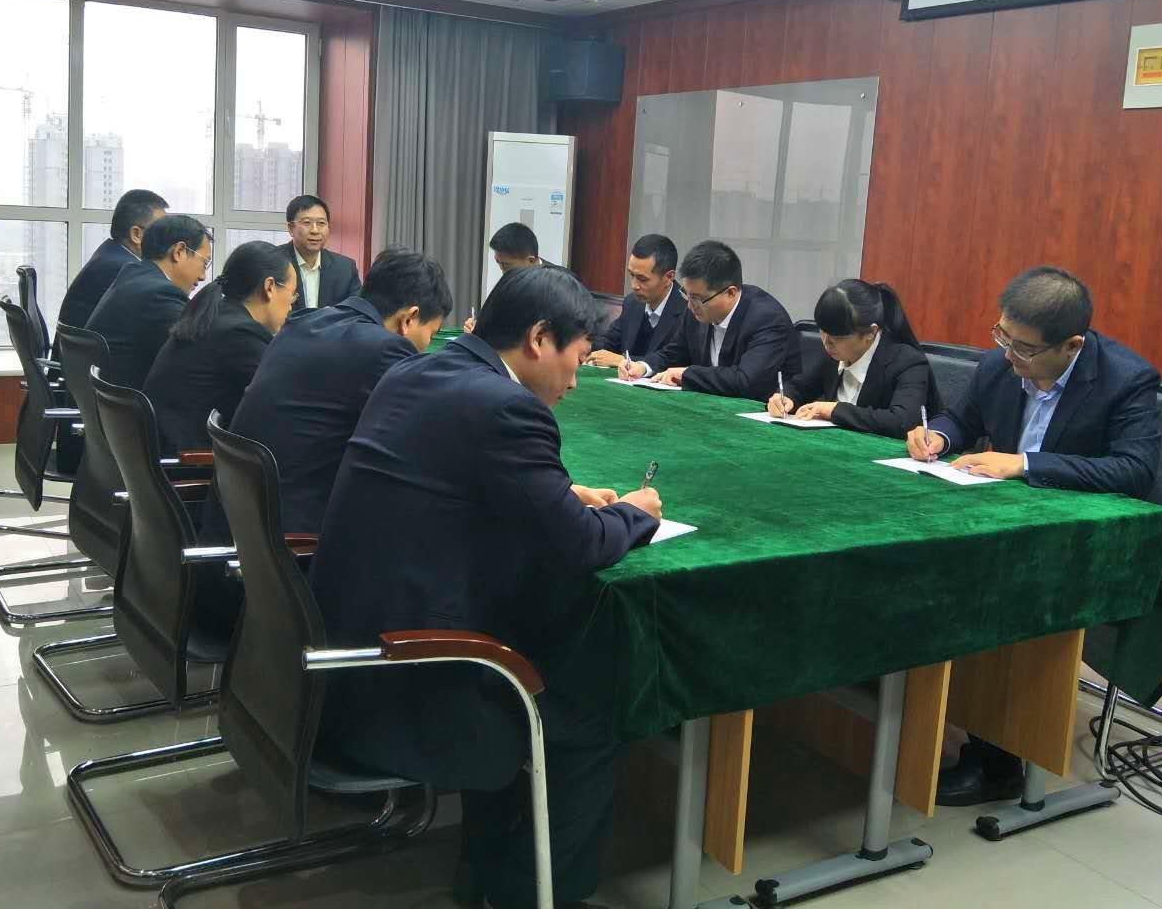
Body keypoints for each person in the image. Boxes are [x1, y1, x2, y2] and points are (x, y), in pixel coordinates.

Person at [311, 265, 662, 909]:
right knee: (593, 711)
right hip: (414, 672)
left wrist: (560, 494)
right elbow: (583, 547)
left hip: (346, 645)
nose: (575, 381)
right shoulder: (507, 407)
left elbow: (467, 483)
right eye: (577, 358)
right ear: (538, 338)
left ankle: (482, 868)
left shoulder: (416, 371)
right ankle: (534, 893)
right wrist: (637, 513)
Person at [905, 265, 1161, 806]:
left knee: (986, 590)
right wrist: (938, 436)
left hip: (1073, 541)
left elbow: (1135, 470)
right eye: (1002, 336)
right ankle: (906, 706)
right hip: (999, 519)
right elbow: (960, 418)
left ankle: (996, 760)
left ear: (1072, 345)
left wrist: (1025, 463)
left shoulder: (1126, 378)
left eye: (1023, 348)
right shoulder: (998, 365)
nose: (1008, 355)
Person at [207, 247, 453, 541]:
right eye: (431, 334)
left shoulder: (303, 322)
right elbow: (423, 438)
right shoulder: (384, 349)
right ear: (410, 318)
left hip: (237, 516)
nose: (426, 346)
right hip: (291, 534)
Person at [142, 241, 297, 455]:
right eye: (293, 294)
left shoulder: (217, 316)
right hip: (189, 461)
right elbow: (279, 404)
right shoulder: (239, 334)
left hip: (164, 451)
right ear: (269, 287)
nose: (291, 305)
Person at [620, 239, 798, 400]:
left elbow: (746, 381)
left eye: (697, 298)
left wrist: (687, 374)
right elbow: (673, 354)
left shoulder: (767, 318)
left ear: (731, 293)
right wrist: (643, 367)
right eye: (686, 294)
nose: (690, 305)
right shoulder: (696, 307)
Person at [767, 279, 940, 437]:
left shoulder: (907, 362)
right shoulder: (835, 353)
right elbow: (800, 386)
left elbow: (902, 421)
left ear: (871, 333)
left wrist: (835, 410)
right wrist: (785, 397)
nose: (826, 342)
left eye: (838, 337)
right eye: (823, 331)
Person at [85, 215, 211, 390]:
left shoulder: (134, 275)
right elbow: (202, 350)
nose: (203, 276)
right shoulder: (160, 295)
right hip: (130, 401)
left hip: (105, 398)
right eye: (205, 263)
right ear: (179, 251)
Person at [54, 190, 167, 354]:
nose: (168, 240)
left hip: (76, 363)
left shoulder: (110, 254)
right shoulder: (122, 269)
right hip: (88, 366)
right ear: (136, 234)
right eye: (161, 232)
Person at [586, 234, 686, 369]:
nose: (634, 285)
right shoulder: (632, 303)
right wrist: (580, 345)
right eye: (631, 275)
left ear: (668, 277)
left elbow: (674, 361)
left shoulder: (689, 310)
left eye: (642, 279)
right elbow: (609, 342)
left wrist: (624, 360)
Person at [280, 194, 361, 313]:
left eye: (321, 223)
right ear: (291, 228)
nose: (315, 230)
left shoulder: (345, 268)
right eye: (307, 223)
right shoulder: (273, 262)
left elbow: (357, 312)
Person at [463, 222, 542, 334]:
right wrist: (478, 329)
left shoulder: (557, 285)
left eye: (506, 265)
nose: (502, 271)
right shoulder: (506, 285)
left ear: (531, 261)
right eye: (498, 262)